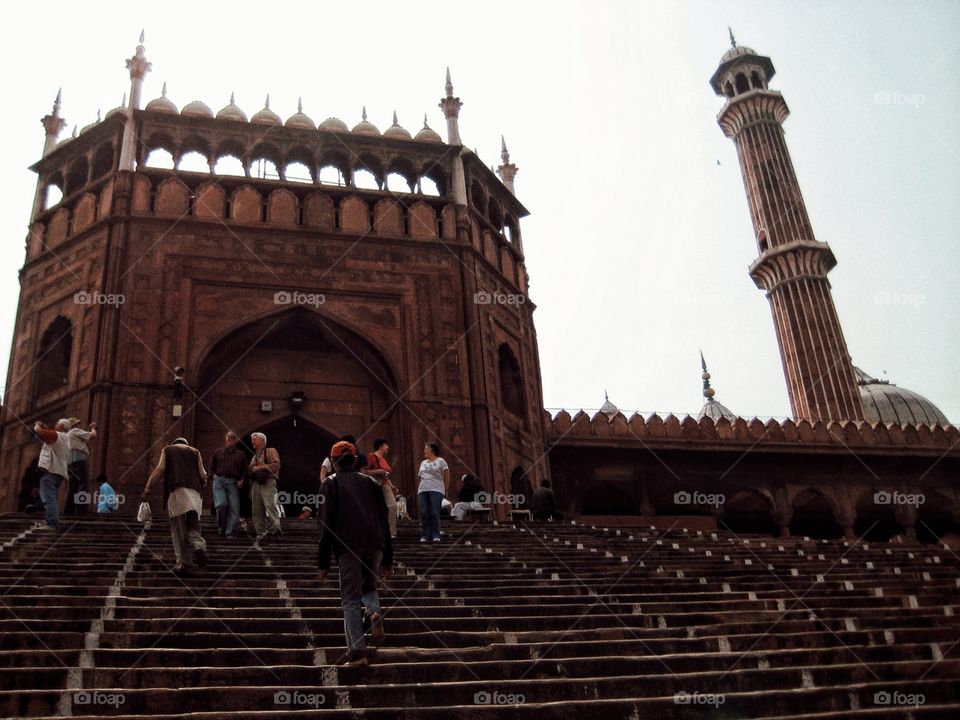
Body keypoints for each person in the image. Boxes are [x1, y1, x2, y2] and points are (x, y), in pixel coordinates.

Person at [318, 441, 393, 667]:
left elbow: (325, 525)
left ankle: (358, 653)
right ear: (355, 460)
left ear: (333, 463)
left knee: (350, 599)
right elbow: (384, 521)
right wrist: (388, 557)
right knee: (369, 585)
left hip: (348, 544)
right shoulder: (371, 482)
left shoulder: (329, 485)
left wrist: (323, 562)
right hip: (375, 543)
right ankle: (373, 612)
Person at [141, 437, 208, 575]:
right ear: (186, 445)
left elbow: (159, 470)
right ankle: (199, 546)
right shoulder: (195, 452)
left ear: (175, 443)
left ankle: (182, 563)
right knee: (193, 526)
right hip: (195, 495)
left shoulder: (168, 450)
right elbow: (203, 475)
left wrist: (148, 489)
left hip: (177, 491)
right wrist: (203, 483)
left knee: (178, 529)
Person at [33, 419, 71, 530]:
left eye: (57, 424)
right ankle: (45, 514)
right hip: (58, 473)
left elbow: (38, 431)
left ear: (62, 426)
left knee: (49, 498)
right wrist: (46, 428)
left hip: (52, 473)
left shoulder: (57, 436)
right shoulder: (65, 438)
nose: (55, 425)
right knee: (51, 497)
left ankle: (51, 523)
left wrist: (37, 424)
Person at [209, 431, 247, 538]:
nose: (230, 441)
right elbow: (211, 467)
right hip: (220, 481)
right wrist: (213, 476)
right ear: (226, 440)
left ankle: (230, 532)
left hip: (233, 482)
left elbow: (244, 471)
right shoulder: (218, 452)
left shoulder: (241, 454)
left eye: (232, 439)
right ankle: (222, 527)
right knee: (221, 504)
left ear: (236, 440)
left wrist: (242, 480)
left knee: (234, 509)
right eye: (228, 439)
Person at [249, 432, 281, 541]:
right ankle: (261, 533)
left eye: (254, 439)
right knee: (256, 510)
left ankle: (276, 530)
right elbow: (250, 472)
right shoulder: (254, 457)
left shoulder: (270, 451)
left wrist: (258, 468)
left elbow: (276, 465)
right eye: (252, 439)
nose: (252, 441)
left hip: (268, 482)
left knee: (270, 506)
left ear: (262, 441)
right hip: (256, 485)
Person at [416, 442, 449, 543]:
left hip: (436, 489)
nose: (424, 451)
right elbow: (420, 476)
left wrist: (446, 489)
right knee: (424, 512)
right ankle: (425, 534)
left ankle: (435, 534)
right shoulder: (423, 462)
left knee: (434, 512)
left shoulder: (441, 461)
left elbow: (446, 475)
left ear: (432, 450)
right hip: (423, 490)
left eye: (426, 448)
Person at [366, 438, 398, 537]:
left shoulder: (383, 459)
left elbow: (386, 474)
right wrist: (378, 471)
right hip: (376, 485)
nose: (387, 447)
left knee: (392, 507)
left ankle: (391, 532)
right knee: (377, 509)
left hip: (385, 485)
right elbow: (365, 472)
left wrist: (392, 485)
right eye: (386, 445)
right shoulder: (372, 456)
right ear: (381, 446)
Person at [64, 418, 97, 514]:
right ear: (75, 425)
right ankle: (81, 510)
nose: (79, 425)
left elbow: (81, 441)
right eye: (78, 424)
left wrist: (86, 431)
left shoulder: (68, 435)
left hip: (70, 461)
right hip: (79, 458)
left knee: (73, 486)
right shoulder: (75, 431)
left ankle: (69, 510)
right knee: (84, 484)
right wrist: (93, 428)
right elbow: (93, 436)